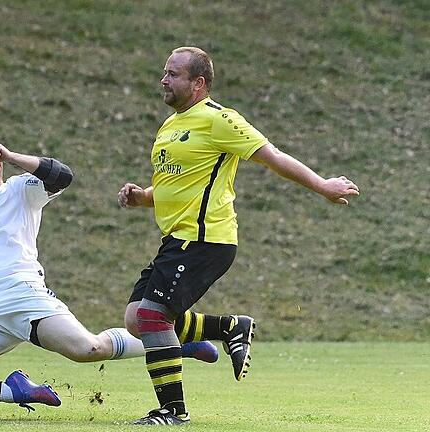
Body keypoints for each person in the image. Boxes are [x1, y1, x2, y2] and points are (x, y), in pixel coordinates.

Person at [117, 46, 360, 425]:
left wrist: (323, 186)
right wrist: (141, 198)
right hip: (178, 238)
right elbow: (173, 186)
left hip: (206, 238)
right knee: (137, 319)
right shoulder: (169, 126)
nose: (163, 80)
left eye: (173, 74)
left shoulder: (220, 120)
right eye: (164, 73)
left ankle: (173, 411)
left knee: (152, 315)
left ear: (198, 83)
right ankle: (230, 327)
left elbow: (273, 156)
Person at [0, 139, 217, 410]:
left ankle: (170, 344)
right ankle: (17, 391)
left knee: (89, 349)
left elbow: (62, 176)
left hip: (22, 297)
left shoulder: (18, 190)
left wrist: (12, 155)